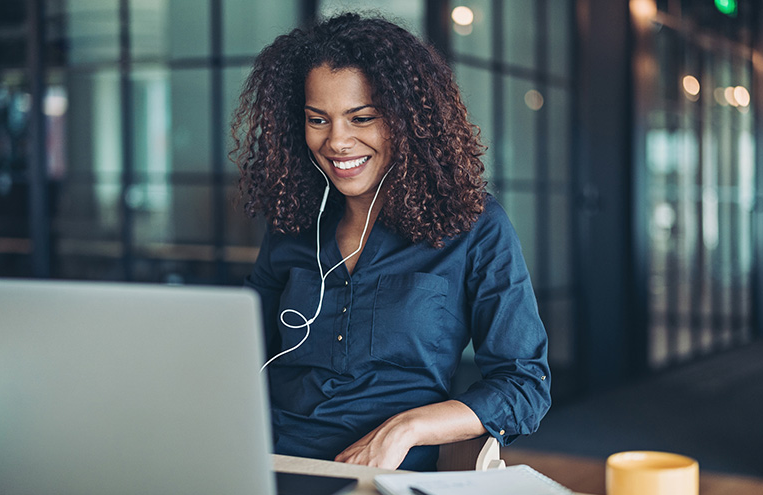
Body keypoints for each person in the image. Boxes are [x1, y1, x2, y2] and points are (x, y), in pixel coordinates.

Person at [231, 13, 550, 471]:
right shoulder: (292, 226)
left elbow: (524, 385)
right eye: (318, 120)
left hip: (393, 480)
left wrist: (406, 429)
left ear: (407, 120)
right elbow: (237, 352)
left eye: (362, 118)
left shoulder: (474, 227)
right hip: (271, 467)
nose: (338, 141)